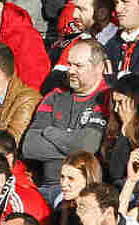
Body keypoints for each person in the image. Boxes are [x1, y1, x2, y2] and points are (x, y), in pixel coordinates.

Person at [22, 38, 108, 199]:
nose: (71, 70)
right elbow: (30, 146)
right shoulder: (55, 96)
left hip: (86, 190)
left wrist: (49, 131)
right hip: (45, 185)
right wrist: (73, 145)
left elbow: (88, 145)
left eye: (78, 66)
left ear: (99, 68)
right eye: (69, 64)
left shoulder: (106, 98)